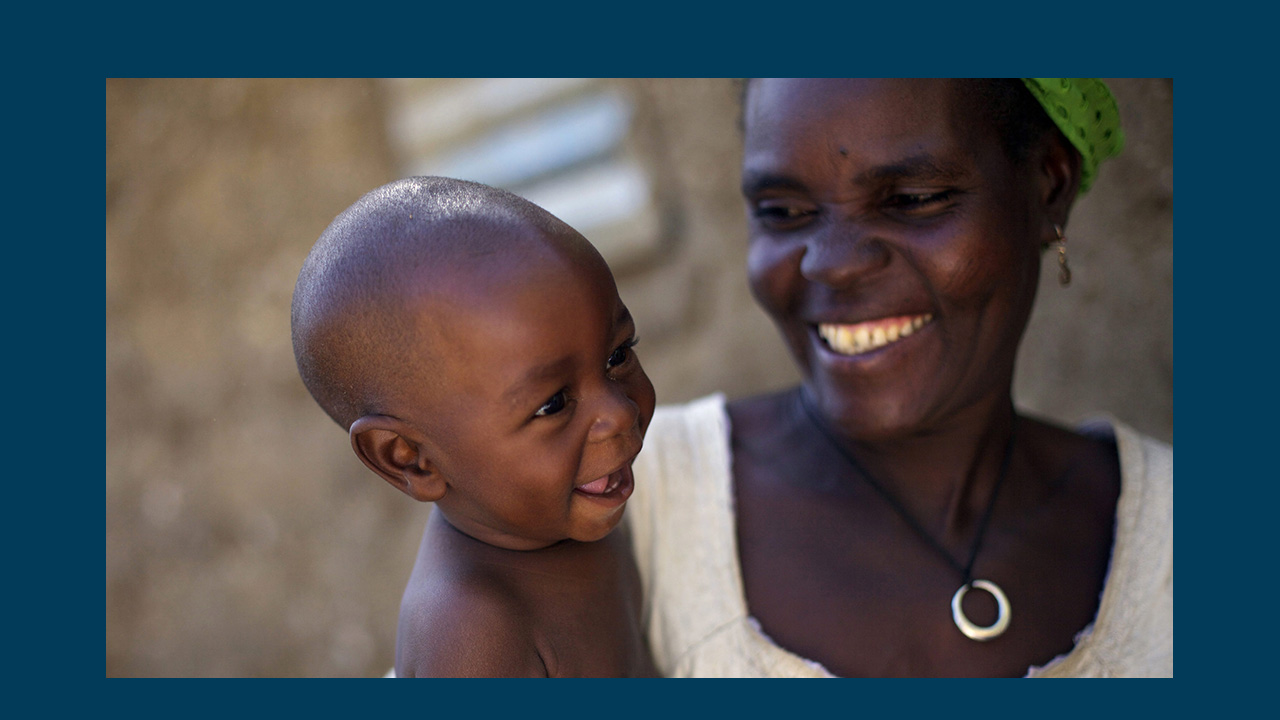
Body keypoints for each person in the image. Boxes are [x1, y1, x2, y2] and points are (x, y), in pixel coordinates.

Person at [627, 79, 1171, 677]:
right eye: (783, 212)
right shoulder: (631, 504)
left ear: (1050, 182)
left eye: (913, 198)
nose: (832, 264)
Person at [291, 176, 658, 677]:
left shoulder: (562, 517)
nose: (618, 413)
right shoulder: (476, 633)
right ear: (410, 458)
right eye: (552, 405)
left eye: (617, 355)